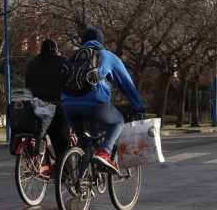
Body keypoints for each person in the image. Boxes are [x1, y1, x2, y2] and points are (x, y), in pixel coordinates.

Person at [60, 26, 145, 173]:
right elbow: (126, 84)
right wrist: (138, 107)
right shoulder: (107, 56)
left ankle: (79, 179)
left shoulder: (73, 57)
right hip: (95, 103)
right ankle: (105, 152)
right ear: (101, 42)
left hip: (68, 105)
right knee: (118, 120)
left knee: (84, 143)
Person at [24, 38, 71, 177]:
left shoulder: (32, 64)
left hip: (35, 107)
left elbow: (28, 85)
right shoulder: (63, 62)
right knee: (62, 141)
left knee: (41, 132)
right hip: (56, 107)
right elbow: (70, 83)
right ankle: (64, 172)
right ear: (55, 50)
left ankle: (40, 161)